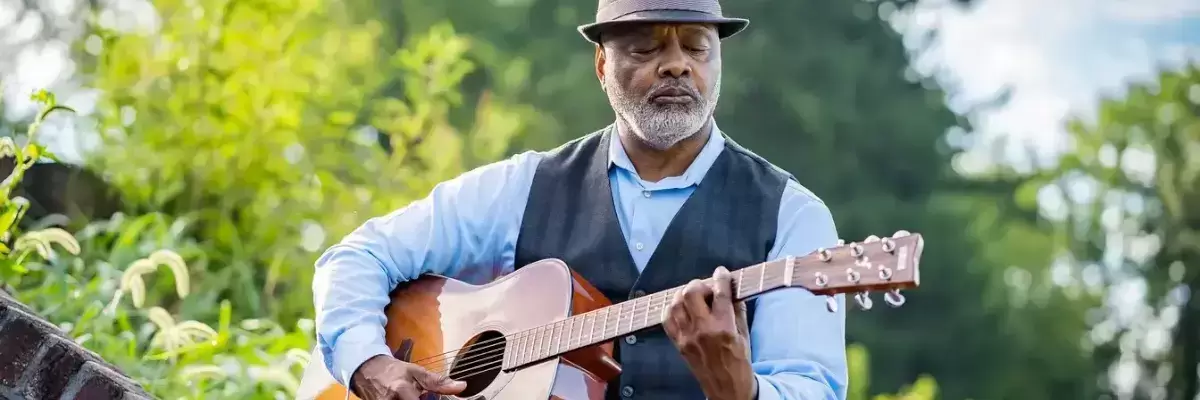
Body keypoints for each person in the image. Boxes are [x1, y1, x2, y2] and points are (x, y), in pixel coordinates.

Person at [311, 0, 848, 399]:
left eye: (696, 46)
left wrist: (742, 390)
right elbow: (356, 258)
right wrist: (367, 362)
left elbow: (813, 387)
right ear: (601, 66)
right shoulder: (524, 187)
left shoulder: (792, 216)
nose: (677, 65)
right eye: (647, 47)